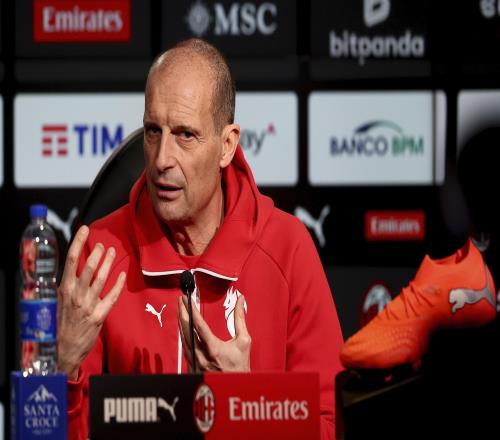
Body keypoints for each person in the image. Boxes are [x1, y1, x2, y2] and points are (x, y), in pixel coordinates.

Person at [57, 38, 344, 440]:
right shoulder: (99, 255)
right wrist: (62, 371)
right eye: (153, 131)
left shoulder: (288, 248)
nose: (162, 159)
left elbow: (331, 427)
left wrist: (247, 401)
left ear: (227, 145)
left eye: (185, 135)